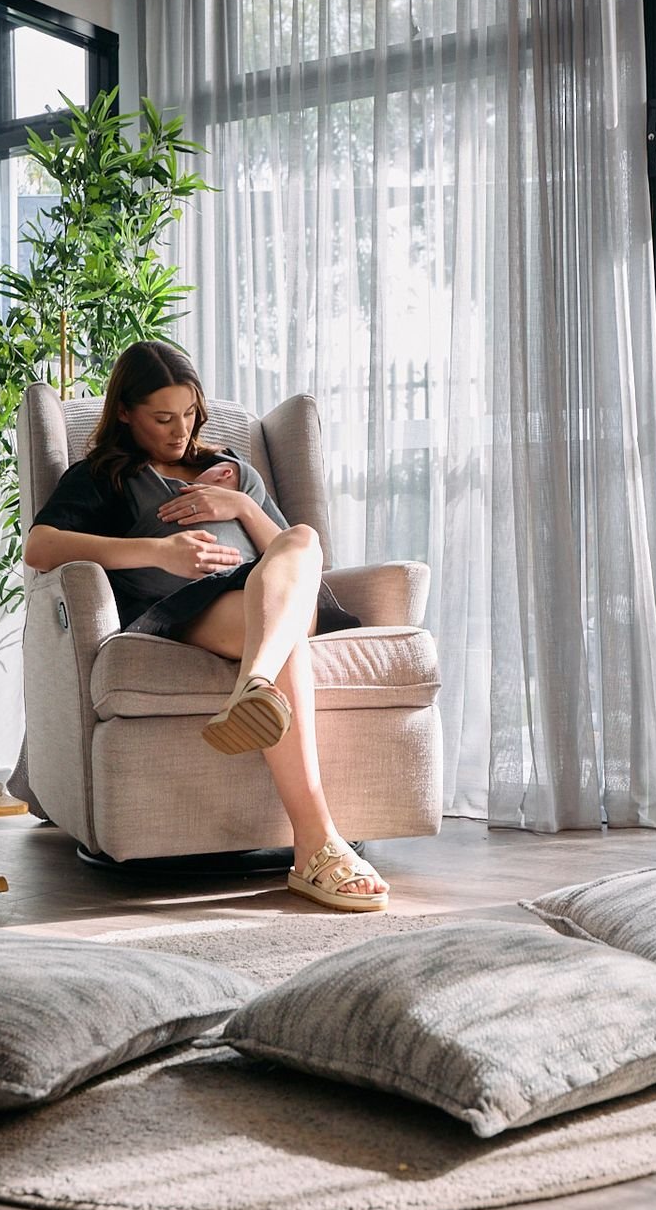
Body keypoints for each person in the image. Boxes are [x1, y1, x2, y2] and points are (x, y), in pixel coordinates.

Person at [23, 341, 388, 912]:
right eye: (162, 418)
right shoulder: (102, 476)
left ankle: (255, 687)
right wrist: (160, 552)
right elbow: (40, 546)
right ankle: (317, 844)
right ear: (125, 412)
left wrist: (241, 507)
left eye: (189, 414)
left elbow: (299, 558)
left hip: (280, 600)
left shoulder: (231, 471)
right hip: (194, 611)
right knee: (279, 629)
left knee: (304, 538)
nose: (179, 430)